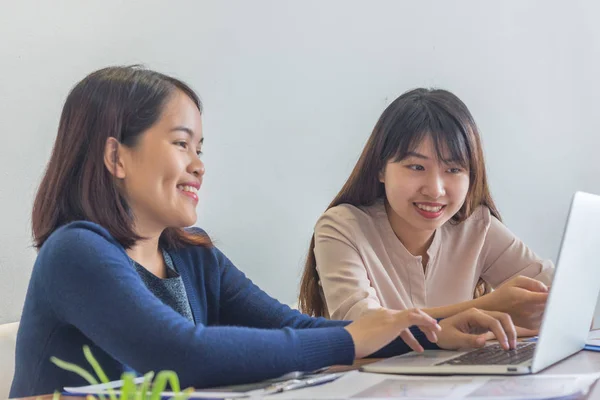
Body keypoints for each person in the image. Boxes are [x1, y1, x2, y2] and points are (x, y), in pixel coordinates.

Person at [11, 68, 517, 398]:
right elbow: (184, 355)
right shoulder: (76, 251)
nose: (198, 166)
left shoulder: (192, 255)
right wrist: (352, 342)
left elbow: (290, 326)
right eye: (182, 144)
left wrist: (421, 340)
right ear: (115, 156)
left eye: (200, 149)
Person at [298, 88, 553, 334]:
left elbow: (559, 296)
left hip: (462, 377)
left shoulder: (477, 227)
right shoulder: (342, 227)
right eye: (416, 167)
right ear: (380, 169)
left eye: (453, 170)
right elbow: (362, 326)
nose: (435, 190)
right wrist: (488, 307)